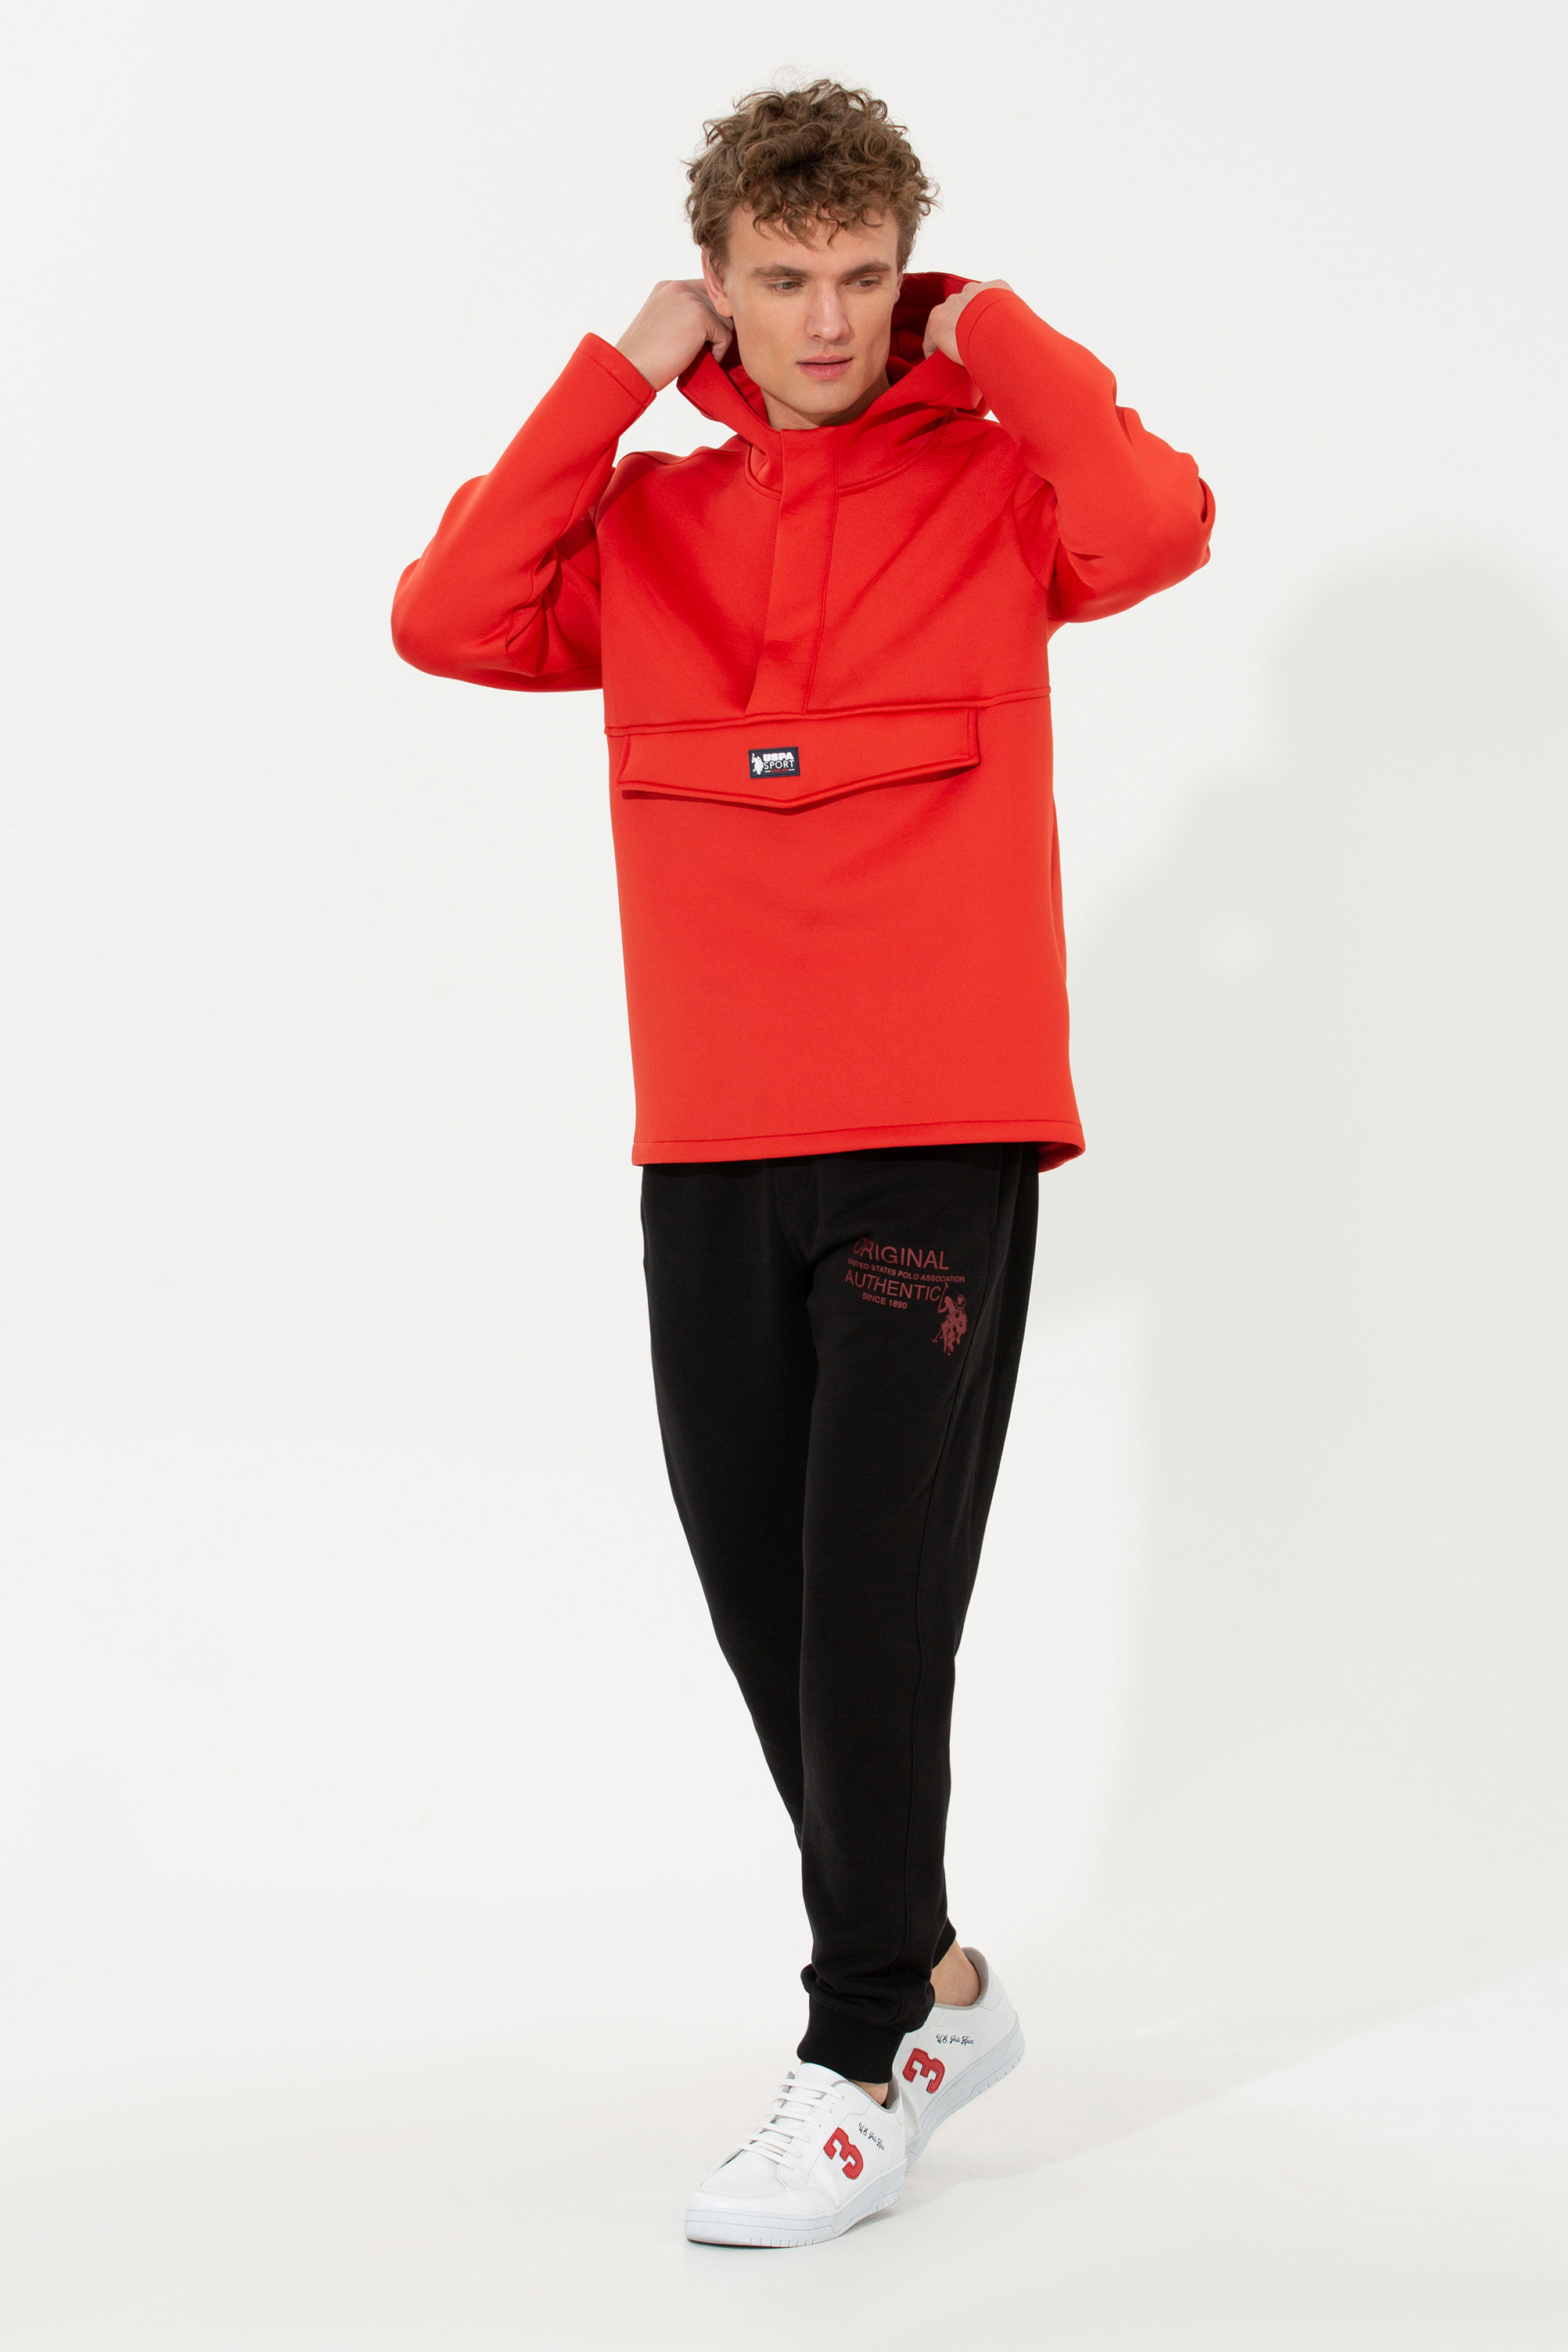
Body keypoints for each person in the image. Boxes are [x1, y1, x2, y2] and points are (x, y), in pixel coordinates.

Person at [391, 79, 1213, 2247]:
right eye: (784, 279)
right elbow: (450, 615)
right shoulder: (649, 524)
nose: (828, 319)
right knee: (764, 1597)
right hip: (712, 1133)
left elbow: (1155, 527)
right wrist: (615, 375)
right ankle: (937, 1983)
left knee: (868, 1612)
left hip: (935, 1126)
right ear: (721, 283)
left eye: (866, 277)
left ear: (905, 276)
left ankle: (852, 2064)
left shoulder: (998, 490)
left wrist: (995, 332)